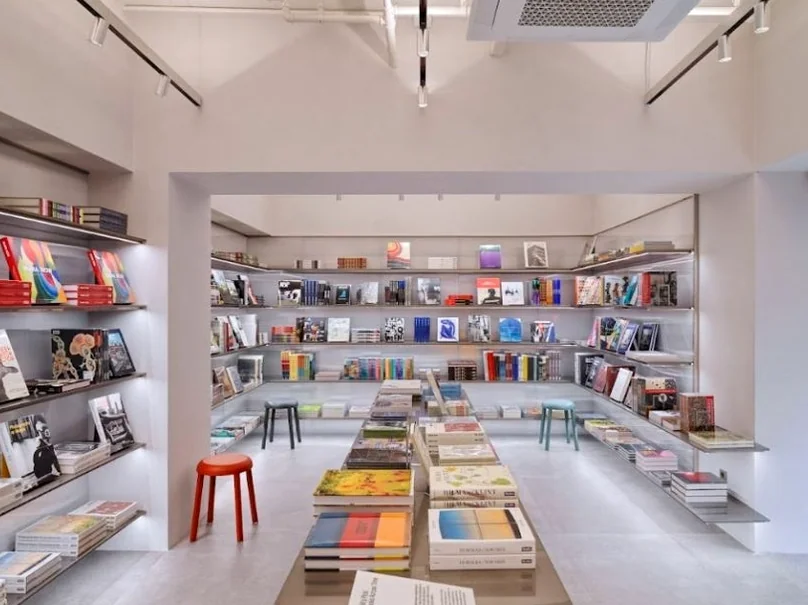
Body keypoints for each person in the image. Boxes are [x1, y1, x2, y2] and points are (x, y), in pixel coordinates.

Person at [32, 415, 61, 482]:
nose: (42, 434)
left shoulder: (56, 438)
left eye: (43, 429)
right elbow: (40, 474)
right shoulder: (40, 451)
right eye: (38, 431)